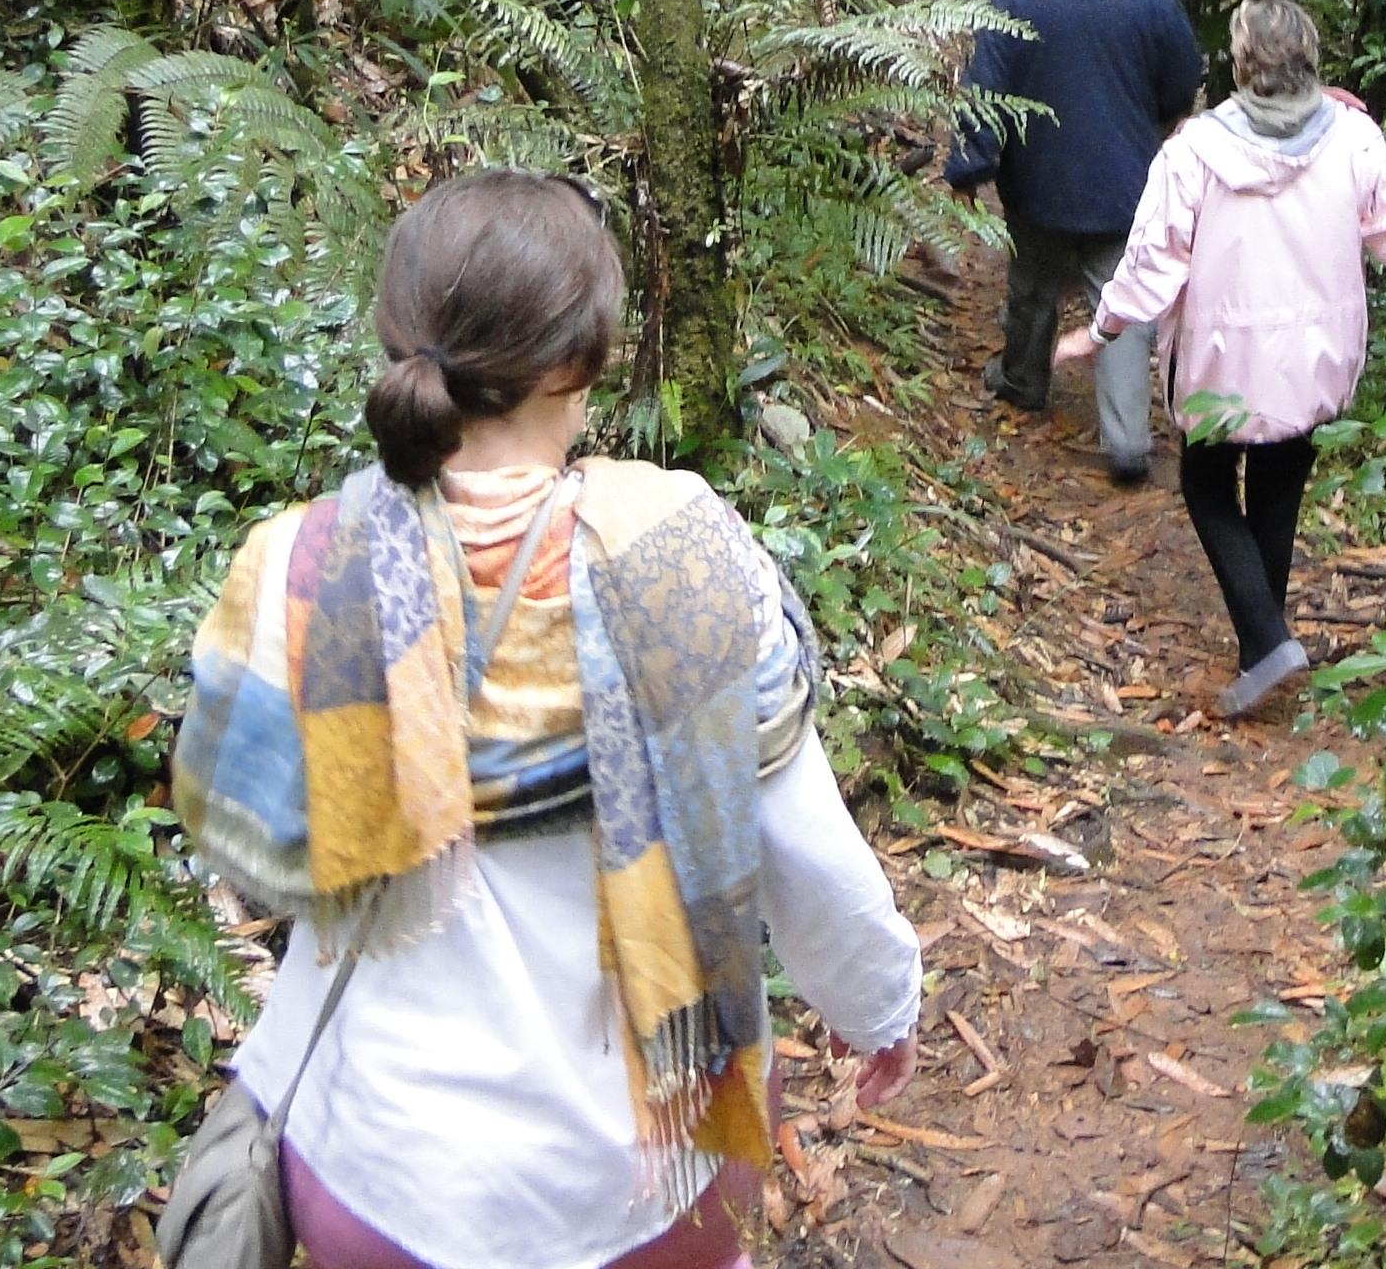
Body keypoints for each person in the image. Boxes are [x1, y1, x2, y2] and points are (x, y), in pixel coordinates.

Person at [171, 171, 921, 1269]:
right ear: (577, 361)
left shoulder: (302, 561)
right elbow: (807, 853)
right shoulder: (677, 552)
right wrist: (880, 1006)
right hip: (635, 1182)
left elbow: (249, 852)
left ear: (400, 334)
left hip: (374, 1171)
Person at [1057, 0, 1386, 718]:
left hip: (1219, 362)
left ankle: (1264, 642)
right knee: (1278, 482)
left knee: (1206, 483)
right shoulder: (1352, 138)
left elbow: (1151, 264)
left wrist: (1100, 331)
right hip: (1315, 362)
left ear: (1241, 64)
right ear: (1311, 62)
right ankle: (1263, 645)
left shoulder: (1194, 151)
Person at [943, 0, 1201, 486]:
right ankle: (1129, 442)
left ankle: (1025, 381)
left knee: (1032, 290)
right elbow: (1181, 83)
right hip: (1126, 188)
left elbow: (986, 91)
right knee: (1124, 307)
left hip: (1038, 185)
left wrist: (970, 166)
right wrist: (1152, 131)